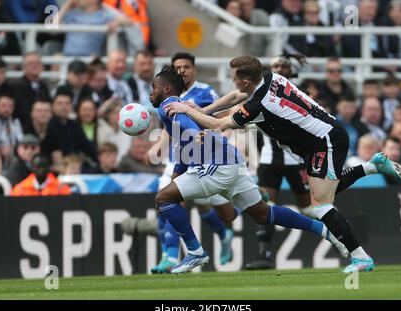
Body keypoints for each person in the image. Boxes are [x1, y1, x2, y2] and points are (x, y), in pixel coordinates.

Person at [165, 55, 401, 273]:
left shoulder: (259, 105)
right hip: (319, 139)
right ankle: (372, 166)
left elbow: (219, 125)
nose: (233, 83)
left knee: (321, 206)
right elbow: (236, 96)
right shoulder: (269, 78)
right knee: (324, 192)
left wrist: (185, 109)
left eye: (234, 79)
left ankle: (361, 258)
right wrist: (203, 108)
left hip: (325, 142)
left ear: (246, 80)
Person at [151, 65, 348, 273]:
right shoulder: (178, 106)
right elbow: (185, 145)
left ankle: (195, 252)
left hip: (217, 167)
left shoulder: (168, 105)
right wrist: (178, 171)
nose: (150, 91)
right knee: (262, 214)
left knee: (163, 198)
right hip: (231, 163)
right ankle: (325, 230)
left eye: (153, 86)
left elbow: (189, 129)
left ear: (166, 89)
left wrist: (194, 135)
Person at [148, 52, 235, 273]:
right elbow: (172, 128)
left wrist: (209, 136)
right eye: (178, 67)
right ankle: (169, 255)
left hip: (207, 157)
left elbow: (216, 118)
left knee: (223, 213)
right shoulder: (164, 100)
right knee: (169, 200)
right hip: (179, 158)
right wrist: (159, 145)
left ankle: (224, 234)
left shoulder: (204, 93)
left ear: (194, 69)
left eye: (186, 67)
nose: (182, 71)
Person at [245, 54, 312, 270]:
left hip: (298, 161)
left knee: (310, 208)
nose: (280, 69)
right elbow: (255, 131)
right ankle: (264, 256)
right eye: (276, 66)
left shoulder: (303, 95)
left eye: (284, 66)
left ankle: (338, 236)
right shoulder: (262, 95)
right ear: (269, 70)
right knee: (265, 206)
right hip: (269, 161)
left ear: (292, 70)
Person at [56, 0, 131, 57]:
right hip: (68, 57)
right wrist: (68, 4)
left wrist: (116, 22)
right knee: (57, 57)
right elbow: (51, 27)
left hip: (90, 58)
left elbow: (129, 21)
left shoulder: (103, 15)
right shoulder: (72, 14)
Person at [10, 52, 51, 125]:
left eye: (38, 63)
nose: (35, 66)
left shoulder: (43, 86)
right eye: (31, 63)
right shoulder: (17, 86)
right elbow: (22, 111)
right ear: (24, 67)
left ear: (42, 67)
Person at [0, 94, 23, 168]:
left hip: (11, 162)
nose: (7, 109)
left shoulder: (14, 122)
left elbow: (21, 141)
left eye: (10, 106)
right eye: (3, 105)